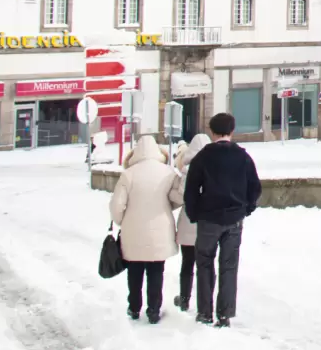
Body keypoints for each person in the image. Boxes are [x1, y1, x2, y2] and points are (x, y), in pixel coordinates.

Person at [183, 112, 262, 328]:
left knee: (204, 263)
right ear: (232, 131)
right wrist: (246, 209)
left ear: (211, 131)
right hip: (234, 219)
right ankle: (225, 314)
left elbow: (191, 190)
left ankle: (205, 312)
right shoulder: (243, 157)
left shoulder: (203, 157)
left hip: (208, 219)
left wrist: (194, 214)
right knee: (229, 266)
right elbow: (255, 187)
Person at [108, 134, 180, 324]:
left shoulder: (128, 174)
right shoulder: (168, 172)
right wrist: (167, 207)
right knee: (156, 271)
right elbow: (180, 197)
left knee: (134, 271)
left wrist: (122, 221)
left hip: (133, 232)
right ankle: (154, 310)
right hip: (160, 231)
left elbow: (116, 205)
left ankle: (134, 308)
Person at [169, 133, 210, 313]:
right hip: (208, 224)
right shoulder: (214, 170)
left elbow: (180, 197)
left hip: (188, 222)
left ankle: (184, 299)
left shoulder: (188, 171)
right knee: (205, 266)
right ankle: (205, 301)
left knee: (187, 264)